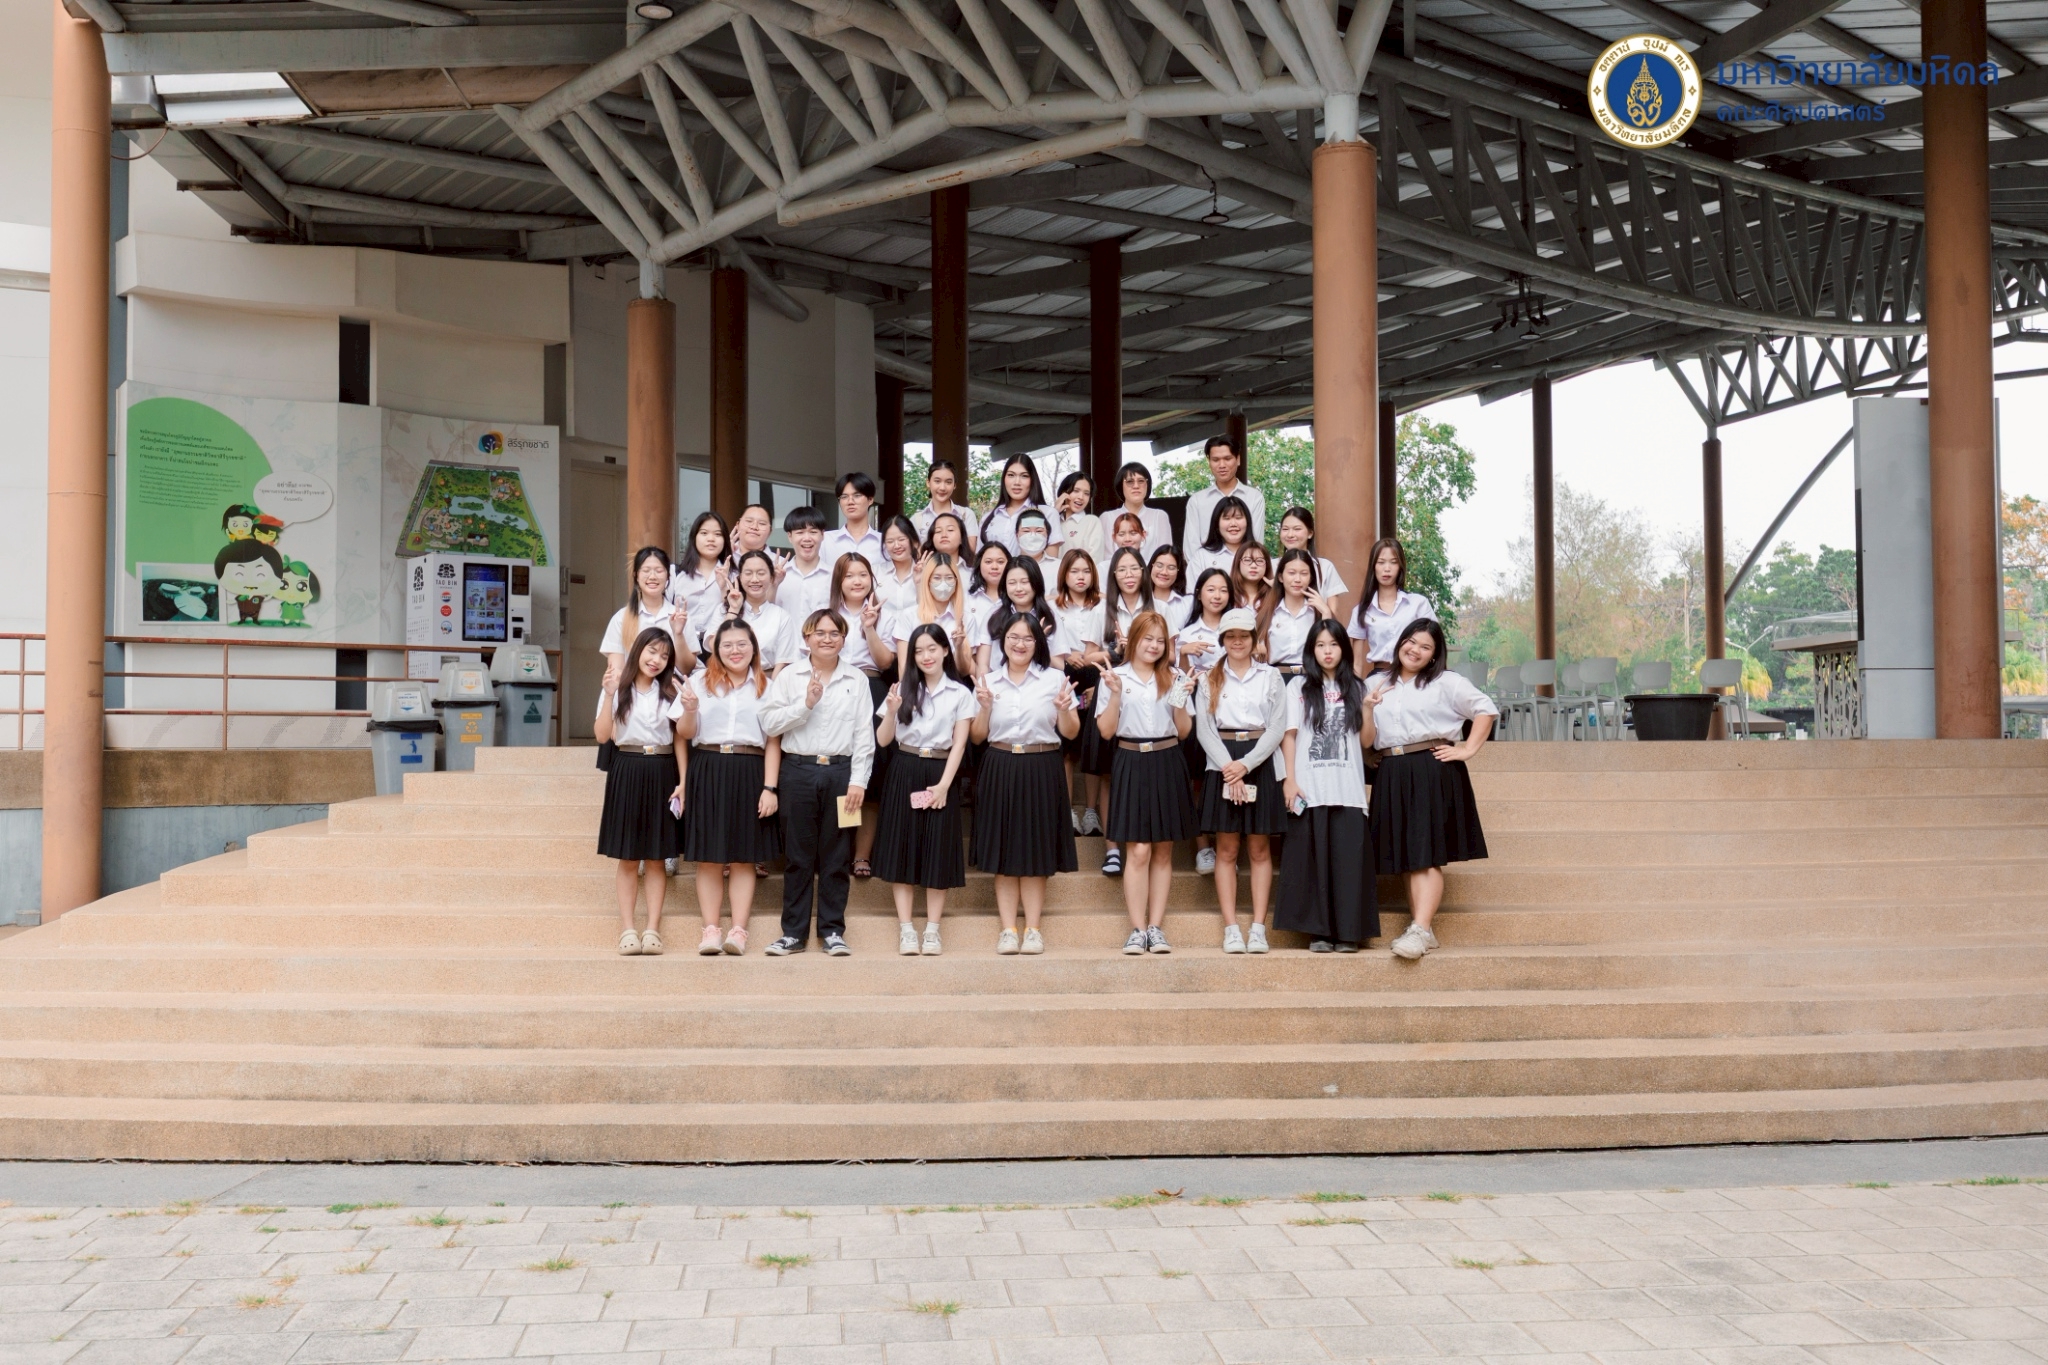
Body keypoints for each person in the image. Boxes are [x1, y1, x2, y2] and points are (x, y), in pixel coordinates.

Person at [1368, 617, 1497, 961]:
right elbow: (1365, 730)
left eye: (1426, 647)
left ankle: (1421, 929)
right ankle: (1422, 928)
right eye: (1411, 641)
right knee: (1409, 856)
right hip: (1391, 770)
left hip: (1430, 767)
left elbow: (1485, 709)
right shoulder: (1376, 682)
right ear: (1400, 642)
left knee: (1425, 855)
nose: (1416, 650)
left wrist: (1467, 749)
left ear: (1435, 654)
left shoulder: (1446, 682)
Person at [759, 610, 875, 956]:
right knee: (798, 856)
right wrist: (806, 704)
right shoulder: (789, 676)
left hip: (842, 774)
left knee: (837, 855)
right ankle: (793, 933)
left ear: (844, 639)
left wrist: (859, 781)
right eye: (819, 632)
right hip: (798, 772)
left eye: (834, 633)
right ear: (806, 638)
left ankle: (833, 931)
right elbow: (769, 723)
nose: (827, 638)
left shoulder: (857, 679)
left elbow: (864, 735)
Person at [970, 612, 1082, 953]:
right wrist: (984, 708)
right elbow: (977, 736)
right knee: (1004, 851)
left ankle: (1033, 929)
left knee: (1036, 851)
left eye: (1027, 638)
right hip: (1000, 764)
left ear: (1038, 643)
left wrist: (1065, 709)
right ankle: (1008, 930)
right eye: (1013, 637)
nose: (1019, 644)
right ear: (1003, 642)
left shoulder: (1054, 679)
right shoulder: (988, 680)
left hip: (1042, 765)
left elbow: (1071, 732)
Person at [677, 618, 783, 956]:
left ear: (753, 648)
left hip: (751, 769)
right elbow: (685, 733)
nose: (735, 650)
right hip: (707, 766)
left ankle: (738, 931)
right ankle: (710, 930)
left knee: (743, 857)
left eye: (742, 644)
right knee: (709, 857)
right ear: (716, 650)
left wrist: (770, 787)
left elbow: (774, 741)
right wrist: (690, 711)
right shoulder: (699, 682)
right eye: (727, 645)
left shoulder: (768, 687)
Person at [872, 622, 978, 956]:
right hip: (904, 767)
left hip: (941, 770)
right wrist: (891, 712)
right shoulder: (902, 688)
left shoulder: (960, 693)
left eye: (932, 648)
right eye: (918, 651)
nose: (926, 656)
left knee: (939, 851)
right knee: (902, 849)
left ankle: (932, 929)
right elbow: (883, 740)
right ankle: (906, 929)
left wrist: (945, 785)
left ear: (946, 650)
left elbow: (960, 744)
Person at [1096, 610, 1194, 952]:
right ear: (1134, 639)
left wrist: (1180, 697)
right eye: (1147, 638)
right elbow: (1106, 731)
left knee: (1163, 850)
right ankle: (1137, 929)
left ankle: (1156, 927)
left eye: (1160, 640)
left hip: (1167, 758)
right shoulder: (1115, 676)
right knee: (1138, 850)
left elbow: (1184, 731)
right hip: (1131, 758)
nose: (1154, 646)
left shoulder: (1174, 675)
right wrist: (1114, 694)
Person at [1277, 619, 1378, 952]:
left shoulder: (1358, 687)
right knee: (1313, 863)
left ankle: (1348, 933)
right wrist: (1290, 780)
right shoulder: (1298, 687)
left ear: (1344, 649)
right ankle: (1318, 932)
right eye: (1320, 645)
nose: (1327, 651)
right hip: (1310, 787)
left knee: (1348, 862)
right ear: (1311, 650)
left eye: (1333, 644)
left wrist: (1367, 709)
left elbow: (1367, 741)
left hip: (1348, 788)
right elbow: (1289, 735)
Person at [1194, 608, 1287, 953]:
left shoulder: (1271, 676)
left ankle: (1258, 928)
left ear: (1253, 639)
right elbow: (1204, 730)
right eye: (1230, 636)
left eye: (1243, 636)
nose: (1237, 641)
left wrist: (1246, 765)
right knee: (1227, 848)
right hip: (1222, 760)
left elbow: (1277, 727)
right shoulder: (1209, 678)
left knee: (1260, 848)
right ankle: (1231, 928)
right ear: (1222, 640)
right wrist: (1229, 768)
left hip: (1259, 759)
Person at [594, 627, 685, 957]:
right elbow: (602, 735)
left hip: (663, 768)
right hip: (627, 767)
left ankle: (652, 929)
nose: (656, 659)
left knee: (657, 858)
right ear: (638, 651)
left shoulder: (672, 690)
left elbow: (680, 739)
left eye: (664, 655)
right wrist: (608, 695)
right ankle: (628, 929)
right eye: (652, 651)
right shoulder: (618, 687)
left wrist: (684, 781)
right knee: (629, 857)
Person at [829, 553, 896, 879]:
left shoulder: (886, 614)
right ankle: (842, 850)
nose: (857, 581)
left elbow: (885, 663)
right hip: (836, 689)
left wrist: (869, 628)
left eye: (863, 575)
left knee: (872, 773)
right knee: (844, 774)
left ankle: (862, 854)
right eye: (849, 575)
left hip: (872, 688)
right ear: (839, 581)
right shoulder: (828, 615)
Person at [1177, 567, 1233, 876]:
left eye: (1223, 590)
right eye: (1211, 589)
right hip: (1197, 709)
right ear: (1199, 594)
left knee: (1228, 774)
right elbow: (1176, 682)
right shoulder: (1186, 633)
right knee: (1196, 779)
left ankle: (1227, 848)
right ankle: (1203, 848)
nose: (1217, 595)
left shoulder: (1237, 629)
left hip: (1231, 710)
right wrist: (1183, 653)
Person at [1053, 548, 1113, 836]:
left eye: (1086, 571)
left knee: (1092, 747)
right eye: (1074, 571)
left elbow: (1111, 646)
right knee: (1067, 748)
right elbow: (1046, 645)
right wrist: (1067, 656)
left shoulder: (1104, 605)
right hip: (1064, 676)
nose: (1080, 576)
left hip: (1095, 675)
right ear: (1064, 574)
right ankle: (1068, 811)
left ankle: (1090, 812)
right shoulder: (1053, 606)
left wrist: (1092, 663)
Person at [1349, 536, 1437, 677]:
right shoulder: (1361, 611)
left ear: (1400, 566)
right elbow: (1357, 663)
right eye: (1381, 562)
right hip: (1380, 676)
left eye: (1393, 562)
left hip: (1415, 676)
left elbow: (1435, 643)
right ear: (1373, 566)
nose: (1387, 569)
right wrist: (1356, 689)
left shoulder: (1418, 603)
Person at [1181, 434, 1266, 565]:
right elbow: (1191, 548)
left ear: (1238, 459)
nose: (1222, 465)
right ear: (1209, 462)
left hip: (1244, 570)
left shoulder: (1254, 497)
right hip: (1206, 572)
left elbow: (1255, 542)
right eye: (1215, 460)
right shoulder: (1197, 501)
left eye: (1227, 459)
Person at [970, 556, 1057, 676]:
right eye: (1012, 583)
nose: (1018, 589)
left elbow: (1060, 665)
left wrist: (1039, 642)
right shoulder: (993, 614)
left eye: (1025, 582)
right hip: (999, 683)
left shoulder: (1049, 616)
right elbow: (983, 665)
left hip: (1039, 683)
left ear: (1036, 583)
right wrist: (984, 684)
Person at [603, 546, 686, 670]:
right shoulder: (621, 618)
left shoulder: (680, 616)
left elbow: (687, 669)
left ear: (668, 576)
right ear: (636, 575)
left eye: (659, 571)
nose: (652, 576)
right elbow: (616, 670)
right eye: (646, 570)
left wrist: (678, 634)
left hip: (671, 682)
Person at [667, 511, 730, 669]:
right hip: (682, 644)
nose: (711, 539)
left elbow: (737, 614)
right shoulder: (676, 573)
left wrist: (724, 589)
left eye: (718, 534)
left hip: (719, 647)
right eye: (704, 533)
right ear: (694, 537)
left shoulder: (734, 575)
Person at [895, 553, 975, 676]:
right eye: (937, 578)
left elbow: (964, 671)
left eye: (949, 578)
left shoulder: (966, 619)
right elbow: (903, 668)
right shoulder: (909, 616)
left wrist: (958, 647)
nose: (943, 583)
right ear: (928, 581)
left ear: (956, 581)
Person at [724, 549, 800, 674]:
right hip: (728, 678)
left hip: (768, 679)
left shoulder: (781, 616)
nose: (755, 579)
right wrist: (733, 610)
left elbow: (783, 663)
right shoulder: (724, 609)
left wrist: (772, 686)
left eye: (761, 573)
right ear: (740, 577)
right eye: (748, 573)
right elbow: (717, 646)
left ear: (771, 577)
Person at [979, 454, 1063, 557]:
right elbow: (980, 559)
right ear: (1004, 478)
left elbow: (1051, 560)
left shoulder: (1048, 514)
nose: (1017, 482)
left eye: (1024, 476)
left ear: (1032, 480)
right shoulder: (988, 518)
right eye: (1011, 475)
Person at [1260, 549, 1322, 676]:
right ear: (1280, 577)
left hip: (1311, 678)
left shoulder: (1318, 612)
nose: (1297, 579)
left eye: (1304, 573)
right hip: (1275, 677)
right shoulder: (1268, 613)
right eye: (1291, 573)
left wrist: (1326, 613)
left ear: (1311, 578)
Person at [1275, 507, 1346, 618]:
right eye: (1285, 529)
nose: (1290, 534)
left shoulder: (1325, 567)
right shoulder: (1271, 566)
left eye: (1297, 529)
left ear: (1310, 533)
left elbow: (1333, 613)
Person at [777, 505, 834, 620]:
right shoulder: (778, 576)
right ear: (790, 536)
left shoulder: (834, 576)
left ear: (822, 535)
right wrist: (773, 585)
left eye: (813, 532)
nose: (807, 538)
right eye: (800, 532)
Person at [820, 471, 885, 570]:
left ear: (870, 499)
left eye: (857, 495)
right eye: (844, 497)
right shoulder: (825, 540)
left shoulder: (883, 542)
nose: (850, 501)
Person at [1112, 461, 1175, 558]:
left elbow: (1165, 555)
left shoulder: (1159, 516)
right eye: (1130, 482)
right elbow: (1106, 558)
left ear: (1147, 484)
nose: (1136, 486)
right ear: (1120, 485)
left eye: (1141, 481)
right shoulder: (1107, 517)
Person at [911, 458, 976, 550]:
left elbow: (970, 552)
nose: (942, 488)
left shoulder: (966, 515)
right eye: (937, 481)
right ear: (928, 483)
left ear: (954, 485)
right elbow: (915, 555)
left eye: (948, 482)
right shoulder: (917, 520)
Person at [1189, 494, 1256, 581]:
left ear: (1248, 522)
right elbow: (1193, 589)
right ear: (1217, 523)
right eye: (1227, 518)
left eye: (1238, 518)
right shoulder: (1202, 557)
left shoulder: (1260, 556)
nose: (1233, 524)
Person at [875, 515, 924, 618]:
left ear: (914, 542)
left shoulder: (926, 572)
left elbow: (929, 612)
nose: (896, 546)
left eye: (901, 539)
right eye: (890, 541)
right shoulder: (874, 573)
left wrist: (919, 584)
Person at [1057, 471, 1106, 571]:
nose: (1081, 497)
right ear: (1064, 492)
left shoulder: (1092, 522)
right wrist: (1054, 513)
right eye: (1076, 491)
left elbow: (1094, 561)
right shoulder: (1052, 521)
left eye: (1086, 493)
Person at [728, 503, 785, 581]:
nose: (754, 527)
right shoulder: (720, 556)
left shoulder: (782, 566)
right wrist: (725, 553)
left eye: (762, 523)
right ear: (737, 525)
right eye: (749, 521)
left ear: (770, 531)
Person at [1146, 546, 1190, 630]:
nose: (1164, 572)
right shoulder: (1139, 599)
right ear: (1152, 565)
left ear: (1178, 571)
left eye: (1171, 568)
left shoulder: (1187, 603)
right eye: (1159, 565)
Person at [1014, 506, 1062, 580]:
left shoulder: (1060, 567)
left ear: (1047, 534)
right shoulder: (1009, 567)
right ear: (1016, 535)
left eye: (1039, 531)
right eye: (1026, 531)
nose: (1033, 536)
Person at [1230, 542, 1272, 613]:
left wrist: (1278, 589)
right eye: (1247, 560)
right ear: (1238, 563)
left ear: (1267, 565)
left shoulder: (1275, 596)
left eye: (1259, 561)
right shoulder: (1227, 594)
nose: (1253, 566)